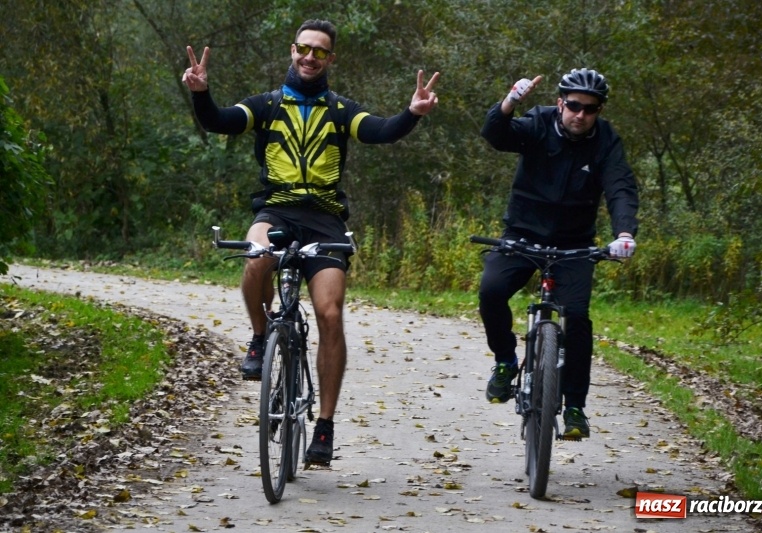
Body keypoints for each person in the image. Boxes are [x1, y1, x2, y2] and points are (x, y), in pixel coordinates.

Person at [182, 19, 439, 464]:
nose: (309, 57)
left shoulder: (341, 110)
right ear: (292, 50)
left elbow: (380, 130)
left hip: (324, 220)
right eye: (304, 48)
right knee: (256, 256)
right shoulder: (266, 105)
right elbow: (220, 122)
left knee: (330, 313)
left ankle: (324, 425)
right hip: (277, 210)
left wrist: (412, 113)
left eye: (319, 52)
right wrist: (201, 92)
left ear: (330, 59)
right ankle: (260, 338)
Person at [478, 68, 638, 440]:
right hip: (522, 236)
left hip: (575, 244)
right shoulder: (537, 123)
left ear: (599, 111)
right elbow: (496, 135)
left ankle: (576, 406)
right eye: (573, 105)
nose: (580, 114)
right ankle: (505, 362)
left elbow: (620, 188)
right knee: (491, 290)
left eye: (590, 108)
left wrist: (625, 233)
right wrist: (510, 102)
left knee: (578, 318)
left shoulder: (606, 142)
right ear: (559, 103)